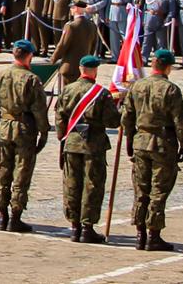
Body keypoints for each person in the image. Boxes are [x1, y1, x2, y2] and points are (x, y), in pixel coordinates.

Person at [122, 48, 183, 251]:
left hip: (140, 141)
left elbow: (127, 117)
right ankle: (153, 234)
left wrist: (129, 139)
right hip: (162, 143)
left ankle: (140, 234)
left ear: (153, 65)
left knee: (141, 189)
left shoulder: (137, 86)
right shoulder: (171, 90)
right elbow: (179, 120)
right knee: (158, 190)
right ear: (168, 67)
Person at [56, 55, 120, 243]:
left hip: (72, 142)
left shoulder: (67, 90)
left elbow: (60, 118)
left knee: (71, 185)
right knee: (92, 185)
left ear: (80, 69)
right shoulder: (101, 93)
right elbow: (112, 121)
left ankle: (74, 226)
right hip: (94, 144)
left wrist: (63, 138)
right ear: (95, 70)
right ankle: (87, 227)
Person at [0, 39, 48, 232]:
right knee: (21, 175)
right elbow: (39, 110)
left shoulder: (0, 76)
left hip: (5, 127)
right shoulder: (31, 79)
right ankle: (15, 217)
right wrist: (44, 132)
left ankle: (2, 216)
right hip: (24, 129)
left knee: (3, 172)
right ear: (29, 56)